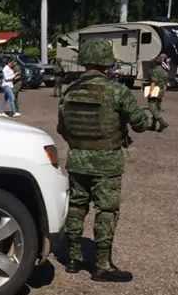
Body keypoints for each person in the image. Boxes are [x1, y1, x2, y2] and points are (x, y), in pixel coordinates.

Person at [57, 38, 150, 282]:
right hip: (107, 162)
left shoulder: (70, 91)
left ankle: (73, 258)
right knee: (106, 211)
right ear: (107, 62)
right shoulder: (117, 91)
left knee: (77, 208)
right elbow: (140, 124)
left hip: (77, 159)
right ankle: (102, 265)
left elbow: (62, 127)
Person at [146, 53, 170, 132]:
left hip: (155, 90)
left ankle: (162, 122)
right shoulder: (163, 71)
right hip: (161, 90)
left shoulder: (155, 70)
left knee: (152, 107)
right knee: (158, 107)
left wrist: (150, 92)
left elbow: (153, 82)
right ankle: (153, 125)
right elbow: (165, 83)